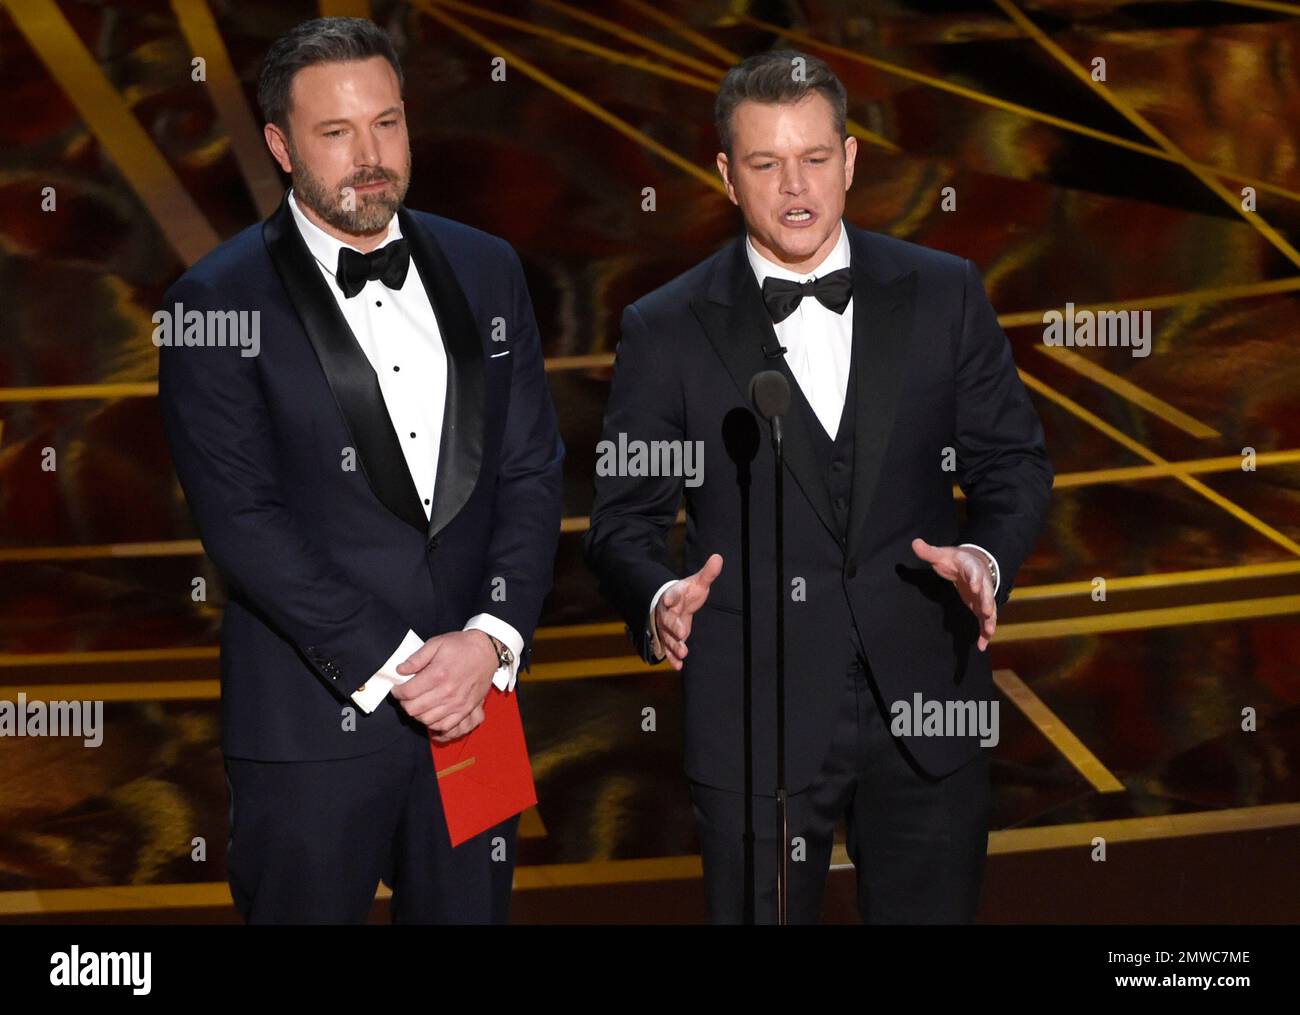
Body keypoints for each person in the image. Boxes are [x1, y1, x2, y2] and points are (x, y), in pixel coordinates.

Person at [584, 50, 1053, 923]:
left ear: (850, 160)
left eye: (813, 158)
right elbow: (622, 522)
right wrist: (658, 598)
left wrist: (987, 556)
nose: (794, 186)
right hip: (753, 719)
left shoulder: (945, 294)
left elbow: (1013, 464)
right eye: (765, 163)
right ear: (726, 175)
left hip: (929, 705)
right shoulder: (664, 329)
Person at [157, 17, 564, 923]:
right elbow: (243, 521)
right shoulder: (213, 303)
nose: (369, 155)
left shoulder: (487, 267)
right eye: (336, 133)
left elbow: (532, 469)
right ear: (280, 146)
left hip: (479, 708)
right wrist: (406, 662)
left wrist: (491, 639)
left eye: (387, 123)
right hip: (310, 726)